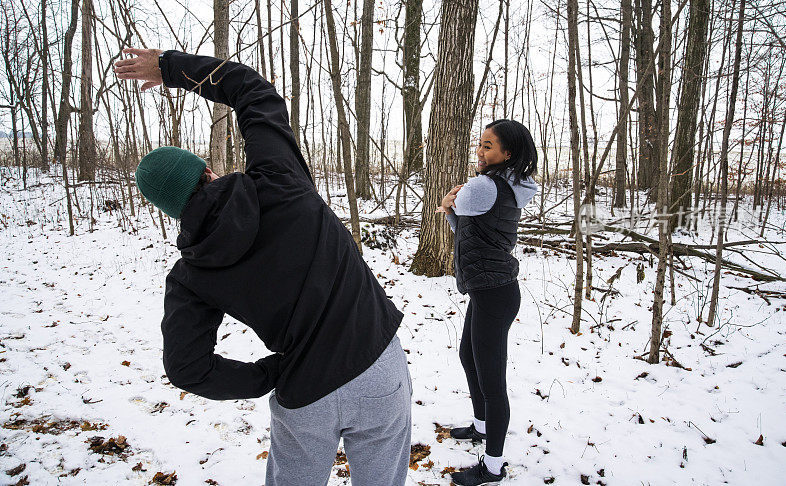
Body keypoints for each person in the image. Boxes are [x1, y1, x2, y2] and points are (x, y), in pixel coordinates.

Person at [114, 48, 412, 486]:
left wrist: (269, 374)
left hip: (304, 393)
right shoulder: (277, 176)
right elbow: (253, 91)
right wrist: (170, 68)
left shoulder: (190, 276)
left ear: (172, 210)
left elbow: (186, 367)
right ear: (209, 171)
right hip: (378, 369)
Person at [437, 119, 538, 486]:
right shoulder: (507, 186)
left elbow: (459, 211)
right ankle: (481, 427)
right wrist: (451, 211)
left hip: (494, 294)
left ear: (506, 153)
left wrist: (448, 205)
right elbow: (469, 229)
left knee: (493, 383)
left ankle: (492, 467)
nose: (480, 151)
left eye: (489, 146)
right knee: (469, 356)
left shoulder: (483, 186)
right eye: (479, 144)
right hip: (491, 290)